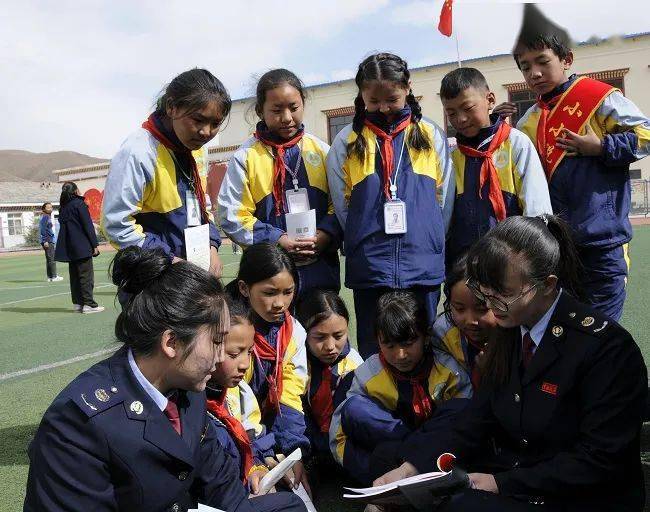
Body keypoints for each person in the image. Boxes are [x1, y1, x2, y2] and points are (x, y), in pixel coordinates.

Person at [375, 215, 647, 511]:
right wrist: (413, 468)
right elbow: (477, 417)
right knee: (404, 473)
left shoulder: (605, 348)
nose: (490, 307)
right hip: (523, 475)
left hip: (581, 496)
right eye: (484, 292)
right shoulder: (512, 325)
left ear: (547, 285)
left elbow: (598, 461)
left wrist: (501, 483)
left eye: (502, 294)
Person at [24, 246, 306, 512]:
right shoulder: (77, 425)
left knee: (289, 506)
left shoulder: (186, 386)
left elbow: (220, 483)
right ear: (172, 343)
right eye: (217, 342)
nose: (222, 358)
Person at [495, 4, 650, 321]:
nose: (534, 73)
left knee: (602, 333)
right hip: (557, 247)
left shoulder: (600, 98)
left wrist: (602, 146)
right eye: (525, 67)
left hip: (603, 242)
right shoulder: (530, 120)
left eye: (542, 62)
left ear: (566, 60)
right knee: (565, 331)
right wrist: (492, 127)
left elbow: (647, 135)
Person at [326, 52, 454, 358]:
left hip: (421, 264)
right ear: (361, 96)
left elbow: (444, 199)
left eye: (392, 99)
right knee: (376, 351)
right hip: (371, 267)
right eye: (373, 100)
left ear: (408, 87)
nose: (383, 108)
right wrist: (361, 236)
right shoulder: (347, 141)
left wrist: (430, 238)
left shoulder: (430, 134)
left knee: (422, 347)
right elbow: (344, 208)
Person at [218, 68, 341, 297]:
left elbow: (340, 204)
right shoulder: (245, 157)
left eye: (294, 108)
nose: (286, 118)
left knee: (320, 331)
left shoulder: (323, 151)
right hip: (269, 278)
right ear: (260, 111)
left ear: (303, 104)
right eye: (276, 110)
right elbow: (231, 215)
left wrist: (326, 234)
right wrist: (277, 239)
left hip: (320, 273)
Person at [329, 290, 472, 485]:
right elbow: (339, 435)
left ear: (426, 336)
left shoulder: (448, 370)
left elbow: (464, 425)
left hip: (436, 445)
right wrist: (368, 469)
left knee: (462, 410)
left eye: (409, 343)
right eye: (389, 345)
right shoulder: (368, 373)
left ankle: (418, 474)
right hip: (392, 453)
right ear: (378, 341)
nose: (400, 355)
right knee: (353, 409)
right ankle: (403, 478)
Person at [102, 68, 230, 278]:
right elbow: (116, 224)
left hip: (190, 276)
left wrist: (211, 246)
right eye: (198, 120)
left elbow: (199, 209)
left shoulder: (192, 150)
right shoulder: (139, 151)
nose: (206, 132)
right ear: (171, 107)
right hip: (153, 282)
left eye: (215, 124)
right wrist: (171, 262)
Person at [440, 67, 552, 266]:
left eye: (467, 108)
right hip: (463, 266)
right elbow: (445, 216)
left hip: (510, 265)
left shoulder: (516, 143)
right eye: (451, 113)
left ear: (490, 100)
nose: (461, 119)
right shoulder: (452, 155)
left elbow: (537, 209)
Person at [226, 242, 311, 493]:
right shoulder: (227, 332)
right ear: (244, 288)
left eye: (288, 292)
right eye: (270, 292)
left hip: (264, 418)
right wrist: (257, 454)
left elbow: (290, 393)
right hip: (231, 422)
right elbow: (230, 404)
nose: (280, 304)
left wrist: (293, 452)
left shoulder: (292, 330)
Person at [205, 295, 275, 494]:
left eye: (250, 352)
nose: (245, 364)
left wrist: (259, 464)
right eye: (234, 354)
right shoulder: (191, 404)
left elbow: (251, 434)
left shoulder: (239, 391)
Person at [295, 289, 363, 455]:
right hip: (308, 441)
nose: (330, 346)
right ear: (304, 333)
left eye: (339, 335)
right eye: (319, 337)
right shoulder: (296, 365)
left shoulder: (355, 366)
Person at [433, 254, 499, 389]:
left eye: (482, 309)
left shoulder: (517, 335)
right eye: (459, 308)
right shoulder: (443, 334)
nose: (470, 320)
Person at [54, 182, 103, 314]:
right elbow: (88, 226)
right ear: (75, 191)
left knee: (75, 277)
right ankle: (89, 305)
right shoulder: (79, 204)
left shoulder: (63, 207)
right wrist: (94, 245)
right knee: (86, 277)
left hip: (69, 247)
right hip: (82, 246)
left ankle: (78, 304)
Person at [39, 202, 63, 282]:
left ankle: (50, 277)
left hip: (48, 240)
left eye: (51, 207)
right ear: (44, 209)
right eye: (48, 208)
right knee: (52, 258)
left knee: (49, 259)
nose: (50, 209)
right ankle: (54, 276)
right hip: (48, 240)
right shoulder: (45, 217)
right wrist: (45, 240)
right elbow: (43, 229)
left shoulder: (46, 216)